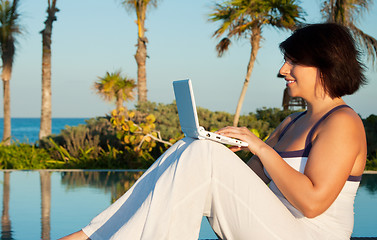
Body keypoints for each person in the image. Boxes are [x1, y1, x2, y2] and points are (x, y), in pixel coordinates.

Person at [60, 23, 367, 240]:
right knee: (190, 147)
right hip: (276, 227)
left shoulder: (342, 121)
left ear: (325, 65)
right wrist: (221, 150)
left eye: (293, 61)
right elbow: (248, 187)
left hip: (309, 235)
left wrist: (260, 148)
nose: (283, 70)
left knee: (202, 153)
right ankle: (91, 235)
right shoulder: (290, 123)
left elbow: (313, 204)